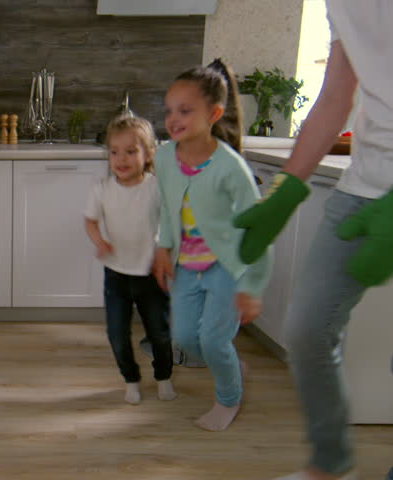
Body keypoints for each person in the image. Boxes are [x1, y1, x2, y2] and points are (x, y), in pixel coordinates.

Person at [233, 2, 393, 478]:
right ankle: (330, 466)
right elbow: (336, 95)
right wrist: (285, 190)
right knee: (307, 330)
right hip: (363, 185)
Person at [151, 59, 271, 431]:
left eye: (185, 110)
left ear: (214, 114)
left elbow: (258, 229)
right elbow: (168, 206)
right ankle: (228, 361)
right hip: (187, 265)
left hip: (227, 267)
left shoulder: (230, 167)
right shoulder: (164, 157)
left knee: (214, 340)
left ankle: (227, 400)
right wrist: (162, 247)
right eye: (169, 110)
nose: (173, 119)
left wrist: (252, 286)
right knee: (186, 337)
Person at [84, 114, 177, 405]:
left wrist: (166, 253)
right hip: (116, 275)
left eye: (130, 151)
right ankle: (130, 379)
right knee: (116, 334)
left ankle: (163, 376)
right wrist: (100, 242)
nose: (121, 159)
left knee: (159, 334)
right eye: (114, 152)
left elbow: (171, 223)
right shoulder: (102, 189)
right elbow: (90, 221)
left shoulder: (156, 187)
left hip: (150, 274)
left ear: (148, 154)